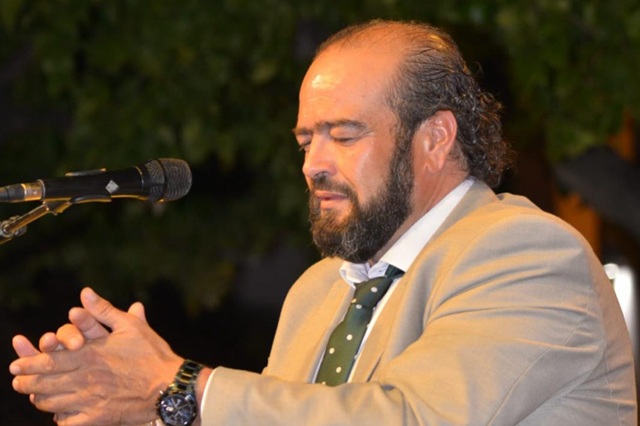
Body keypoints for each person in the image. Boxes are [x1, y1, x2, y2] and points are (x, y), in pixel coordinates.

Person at [9, 19, 637, 425]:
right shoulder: (319, 291)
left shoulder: (524, 253)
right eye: (307, 140)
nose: (313, 165)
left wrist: (179, 385)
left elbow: (411, 419)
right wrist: (141, 404)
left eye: (344, 135)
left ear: (435, 138)